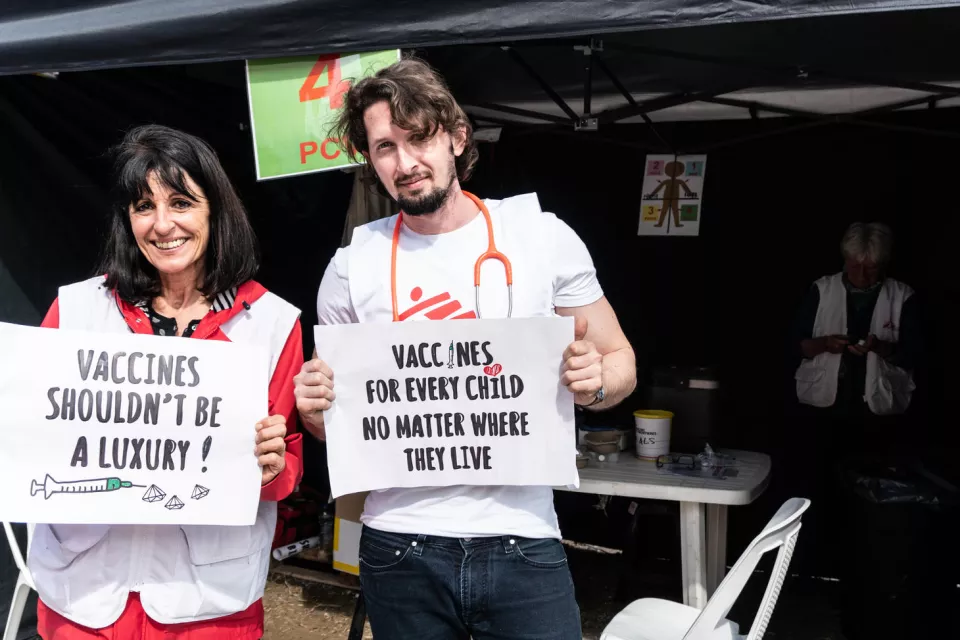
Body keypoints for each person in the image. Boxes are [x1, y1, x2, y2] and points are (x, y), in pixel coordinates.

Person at [293, 58, 636, 639]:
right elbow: (338, 423)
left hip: (522, 536)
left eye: (419, 137)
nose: (405, 163)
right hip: (398, 543)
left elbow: (620, 361)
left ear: (456, 135)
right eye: (384, 148)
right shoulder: (352, 266)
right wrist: (314, 408)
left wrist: (594, 380)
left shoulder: (540, 237)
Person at [30, 125, 304, 639]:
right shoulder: (76, 309)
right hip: (84, 599)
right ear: (126, 219)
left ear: (215, 211)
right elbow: (30, 434)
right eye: (143, 207)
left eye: (181, 203)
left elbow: (288, 463)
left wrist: (269, 469)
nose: (162, 225)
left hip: (206, 605)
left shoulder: (270, 322)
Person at [793, 222, 921, 423]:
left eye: (871, 268)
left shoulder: (903, 296)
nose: (862, 276)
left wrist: (881, 347)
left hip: (882, 410)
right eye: (855, 266)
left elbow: (917, 356)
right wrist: (824, 344)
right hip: (822, 409)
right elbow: (794, 346)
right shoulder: (821, 289)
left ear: (883, 264)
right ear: (845, 260)